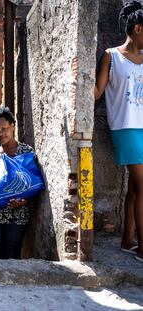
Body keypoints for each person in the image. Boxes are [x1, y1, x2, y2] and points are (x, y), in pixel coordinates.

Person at [94, 0, 143, 263]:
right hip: (126, 128)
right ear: (138, 28)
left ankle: (127, 240)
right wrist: (79, 78)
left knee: (137, 187)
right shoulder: (111, 56)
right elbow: (97, 92)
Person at [0, 106, 37, 259]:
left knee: (12, 253)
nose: (0, 134)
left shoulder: (26, 151)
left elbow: (34, 183)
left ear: (12, 126)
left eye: (4, 128)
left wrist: (23, 202)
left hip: (18, 214)